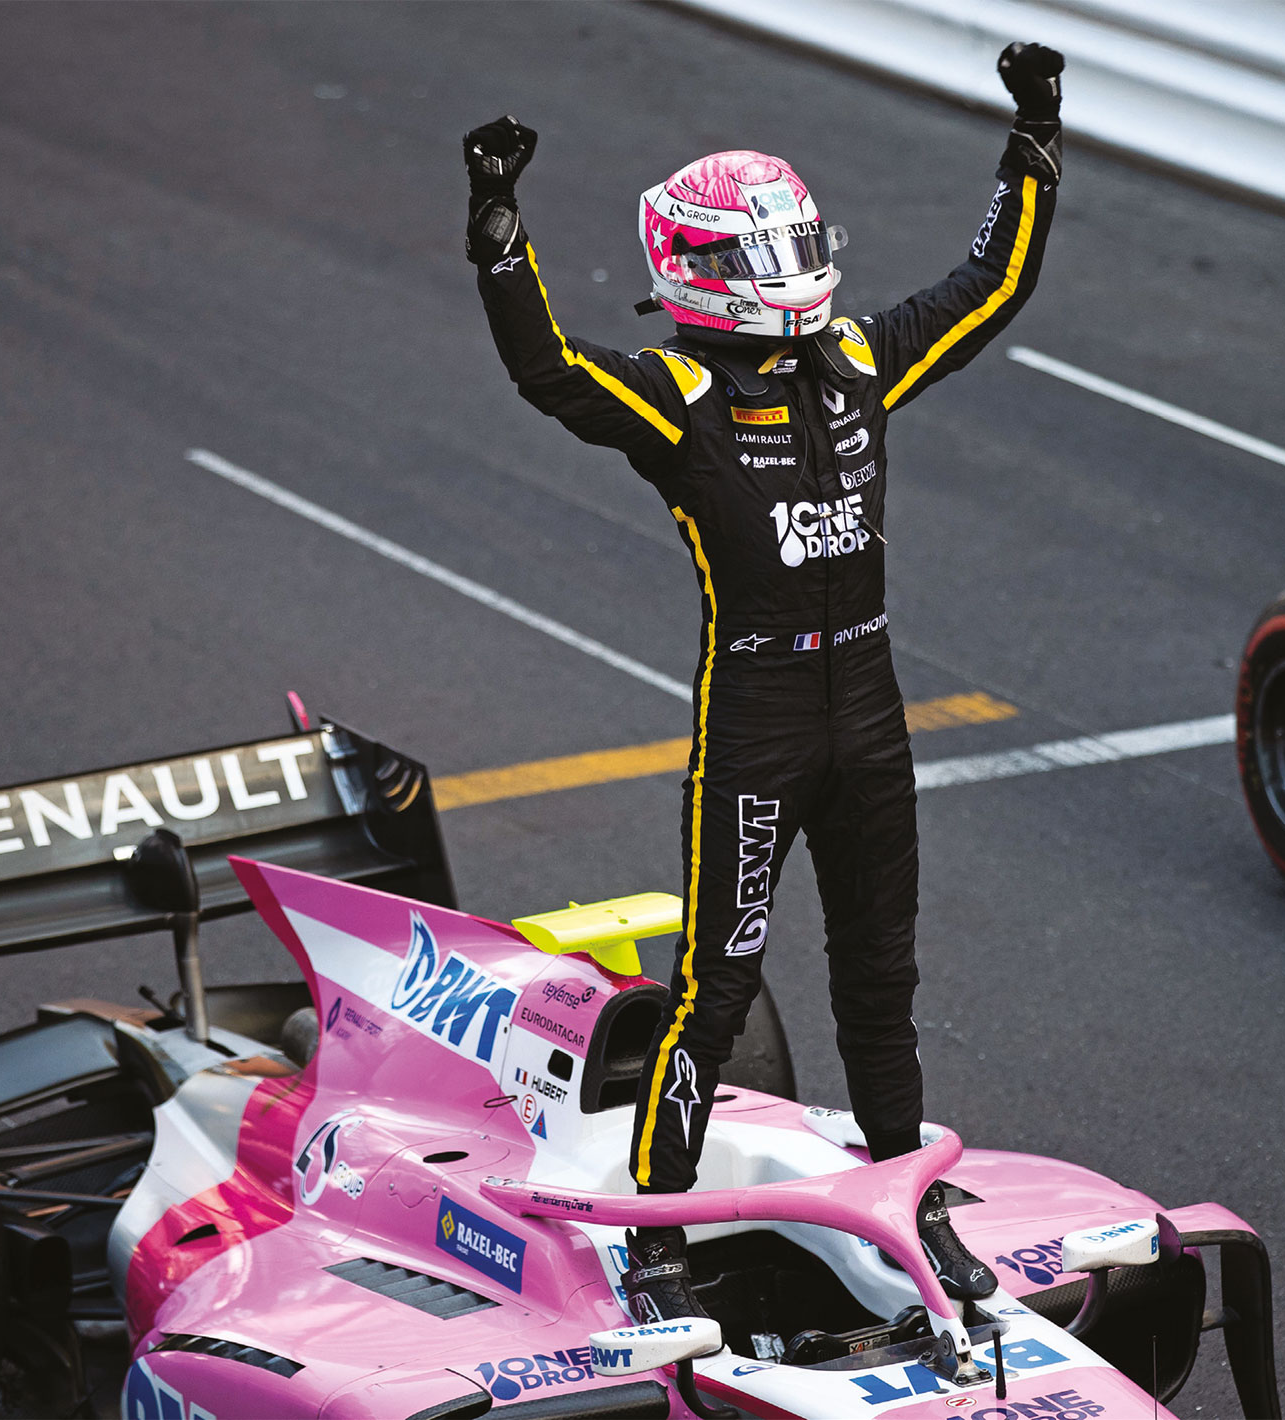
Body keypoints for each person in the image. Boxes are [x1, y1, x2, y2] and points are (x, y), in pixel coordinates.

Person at [464, 41, 1064, 1323]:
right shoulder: (679, 396)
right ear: (702, 269)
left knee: (880, 979)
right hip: (756, 731)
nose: (790, 270)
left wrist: (1035, 142)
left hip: (872, 721)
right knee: (715, 988)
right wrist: (500, 234)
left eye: (795, 241)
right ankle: (661, 1237)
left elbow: (988, 287)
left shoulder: (857, 358)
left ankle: (909, 1195)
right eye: (762, 252)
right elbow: (549, 373)